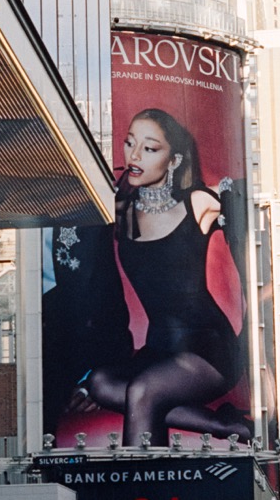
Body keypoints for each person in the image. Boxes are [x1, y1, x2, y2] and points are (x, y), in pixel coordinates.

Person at [70, 109, 250, 446]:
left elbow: (245, 194)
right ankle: (225, 426)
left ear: (174, 160)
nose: (135, 156)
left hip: (207, 349)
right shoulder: (122, 214)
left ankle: (135, 490)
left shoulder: (198, 203)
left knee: (143, 391)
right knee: (100, 383)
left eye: (150, 149)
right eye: (129, 144)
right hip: (157, 349)